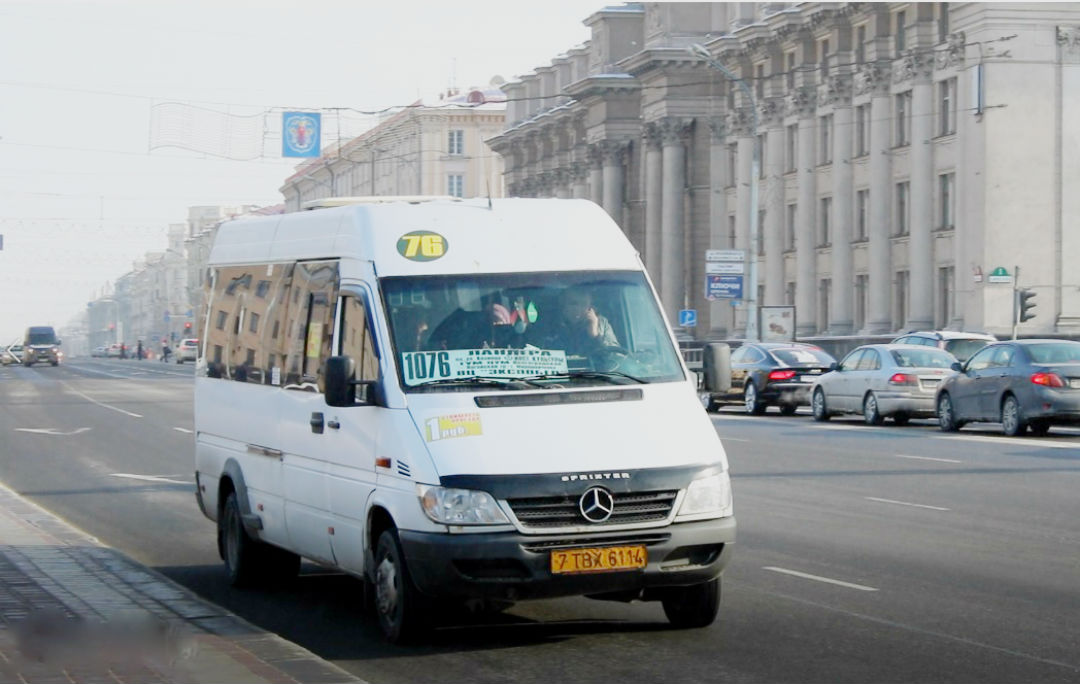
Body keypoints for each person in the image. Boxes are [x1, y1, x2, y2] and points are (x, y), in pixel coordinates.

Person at [547, 288, 618, 356]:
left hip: (595, 368)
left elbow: (614, 357)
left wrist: (594, 335)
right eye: (573, 304)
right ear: (563, 305)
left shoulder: (602, 324)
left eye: (584, 304)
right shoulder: (549, 325)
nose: (578, 308)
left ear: (590, 308)